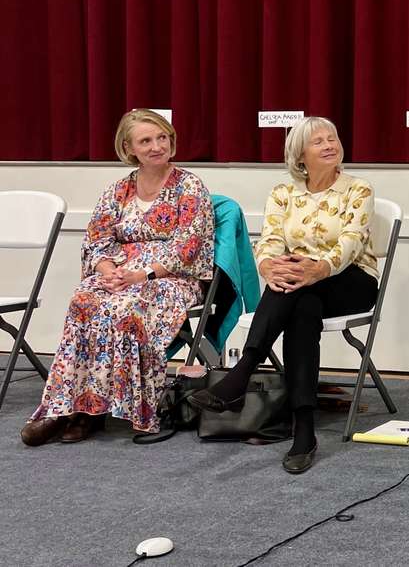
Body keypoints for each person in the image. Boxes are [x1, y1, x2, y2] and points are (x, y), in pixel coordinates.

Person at [188, 117, 378, 474]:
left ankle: (243, 371)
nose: (329, 145)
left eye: (332, 138)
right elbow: (271, 240)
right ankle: (303, 430)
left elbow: (351, 243)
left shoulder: (358, 189)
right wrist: (269, 268)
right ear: (300, 154)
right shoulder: (283, 193)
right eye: (318, 141)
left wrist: (317, 269)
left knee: (302, 292)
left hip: (350, 279)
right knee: (302, 306)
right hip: (298, 282)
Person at [20, 109, 215, 444]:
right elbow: (96, 239)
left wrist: (142, 274)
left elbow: (190, 246)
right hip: (120, 272)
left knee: (125, 307)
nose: (156, 146)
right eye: (146, 140)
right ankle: (70, 408)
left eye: (162, 137)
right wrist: (107, 270)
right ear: (130, 149)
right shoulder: (118, 190)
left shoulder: (189, 186)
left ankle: (101, 411)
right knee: (84, 299)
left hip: (169, 279)